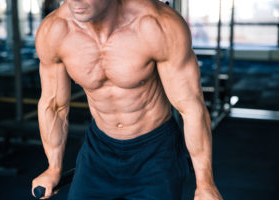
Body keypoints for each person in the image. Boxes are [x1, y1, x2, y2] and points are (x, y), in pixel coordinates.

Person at [32, 0, 223, 199]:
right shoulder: (55, 31)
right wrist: (53, 168)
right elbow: (53, 105)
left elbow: (191, 107)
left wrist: (205, 183)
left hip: (155, 153)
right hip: (99, 149)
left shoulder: (156, 25)